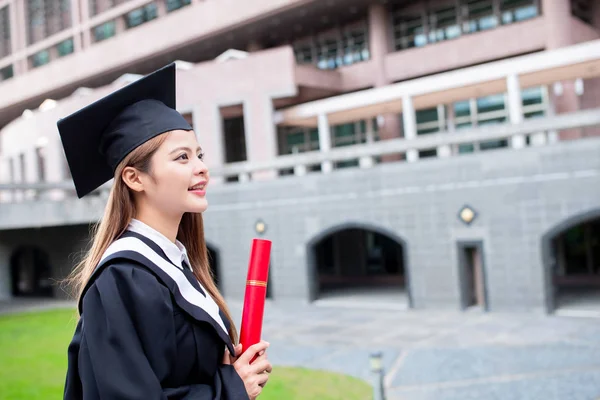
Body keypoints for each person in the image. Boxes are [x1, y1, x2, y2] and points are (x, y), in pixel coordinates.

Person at [59, 63, 271, 399]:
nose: (201, 167)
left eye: (199, 154)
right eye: (182, 157)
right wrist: (231, 389)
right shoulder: (122, 278)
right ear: (134, 178)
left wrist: (228, 369)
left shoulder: (176, 263)